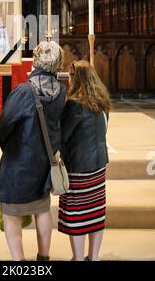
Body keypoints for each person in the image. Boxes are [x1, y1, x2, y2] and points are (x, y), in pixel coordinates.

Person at [0, 41, 66, 261]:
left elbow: (5, 125)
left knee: (11, 213)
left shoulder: (24, 91)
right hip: (45, 159)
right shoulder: (61, 90)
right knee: (42, 208)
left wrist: (8, 148)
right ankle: (43, 257)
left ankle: (19, 262)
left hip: (20, 160)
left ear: (36, 60)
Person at [58, 60, 111, 262]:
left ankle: (79, 258)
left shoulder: (74, 105)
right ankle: (94, 256)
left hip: (79, 167)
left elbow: (64, 135)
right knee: (96, 212)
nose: (69, 81)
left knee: (77, 214)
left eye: (71, 77)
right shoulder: (102, 101)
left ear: (76, 79)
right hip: (98, 165)